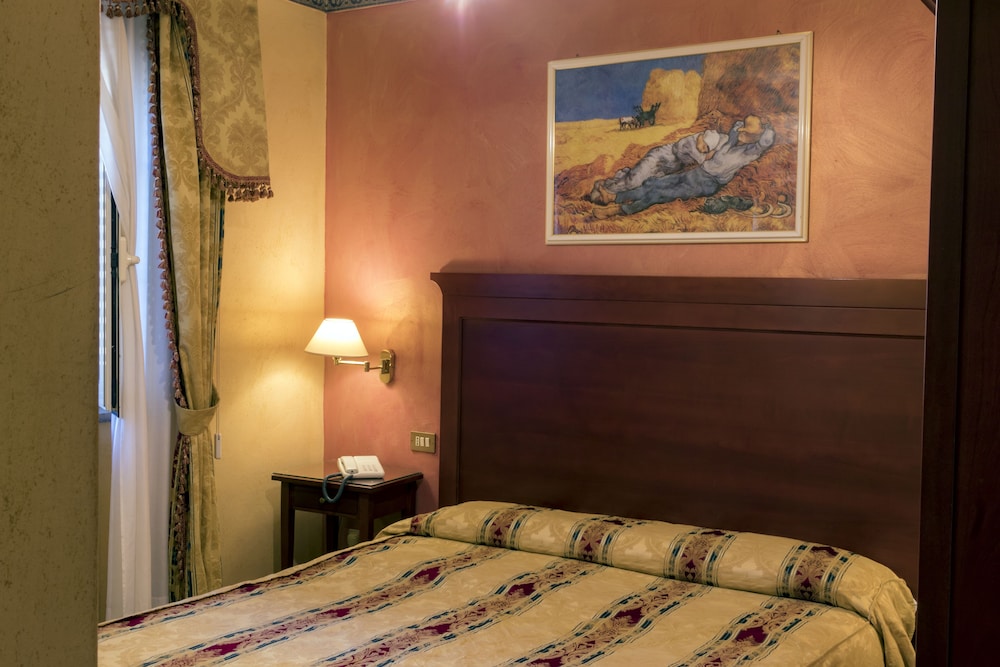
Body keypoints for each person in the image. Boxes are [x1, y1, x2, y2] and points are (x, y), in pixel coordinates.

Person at [592, 115, 775, 218]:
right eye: (742, 131)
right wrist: (746, 128)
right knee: (654, 183)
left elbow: (767, 140)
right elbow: (737, 126)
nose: (741, 134)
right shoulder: (732, 138)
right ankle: (614, 197)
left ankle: (619, 210)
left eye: (746, 133)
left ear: (755, 138)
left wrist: (763, 129)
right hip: (698, 173)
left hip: (707, 183)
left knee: (659, 194)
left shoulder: (751, 152)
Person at [589, 128, 723, 205]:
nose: (703, 150)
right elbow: (679, 151)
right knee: (633, 181)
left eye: (706, 150)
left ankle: (607, 185)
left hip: (663, 170)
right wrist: (701, 159)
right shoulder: (689, 141)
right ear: (701, 137)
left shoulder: (699, 150)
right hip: (656, 159)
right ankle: (606, 190)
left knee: (639, 185)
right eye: (704, 146)